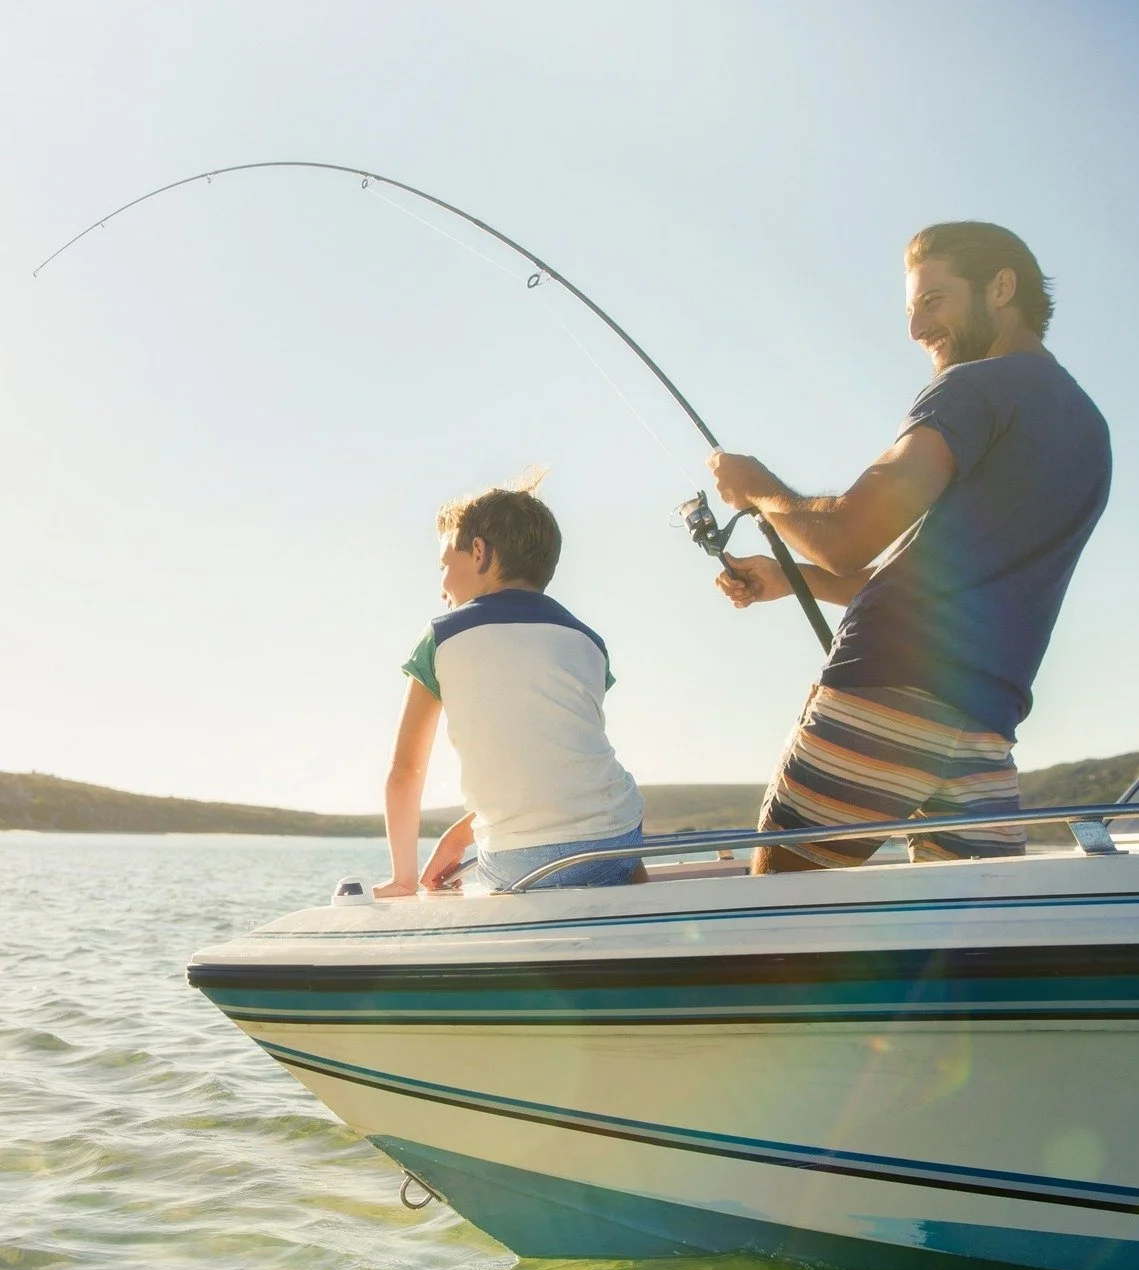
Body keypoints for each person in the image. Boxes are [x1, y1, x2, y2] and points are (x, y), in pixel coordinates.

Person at [708, 221, 1111, 874]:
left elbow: (845, 537)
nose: (916, 329)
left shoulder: (972, 388)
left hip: (882, 698)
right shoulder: (1090, 430)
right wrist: (792, 578)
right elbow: (958, 579)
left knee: (781, 916)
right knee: (967, 936)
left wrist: (756, 488)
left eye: (933, 300)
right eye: (910, 310)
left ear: (1001, 288)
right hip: (984, 733)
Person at [372, 472, 645, 896]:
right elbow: (556, 762)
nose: (442, 585)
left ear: (480, 553)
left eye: (445, 565)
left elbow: (406, 772)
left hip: (518, 861)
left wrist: (403, 879)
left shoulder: (441, 636)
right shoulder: (589, 641)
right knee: (615, 831)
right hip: (619, 842)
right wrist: (460, 833)